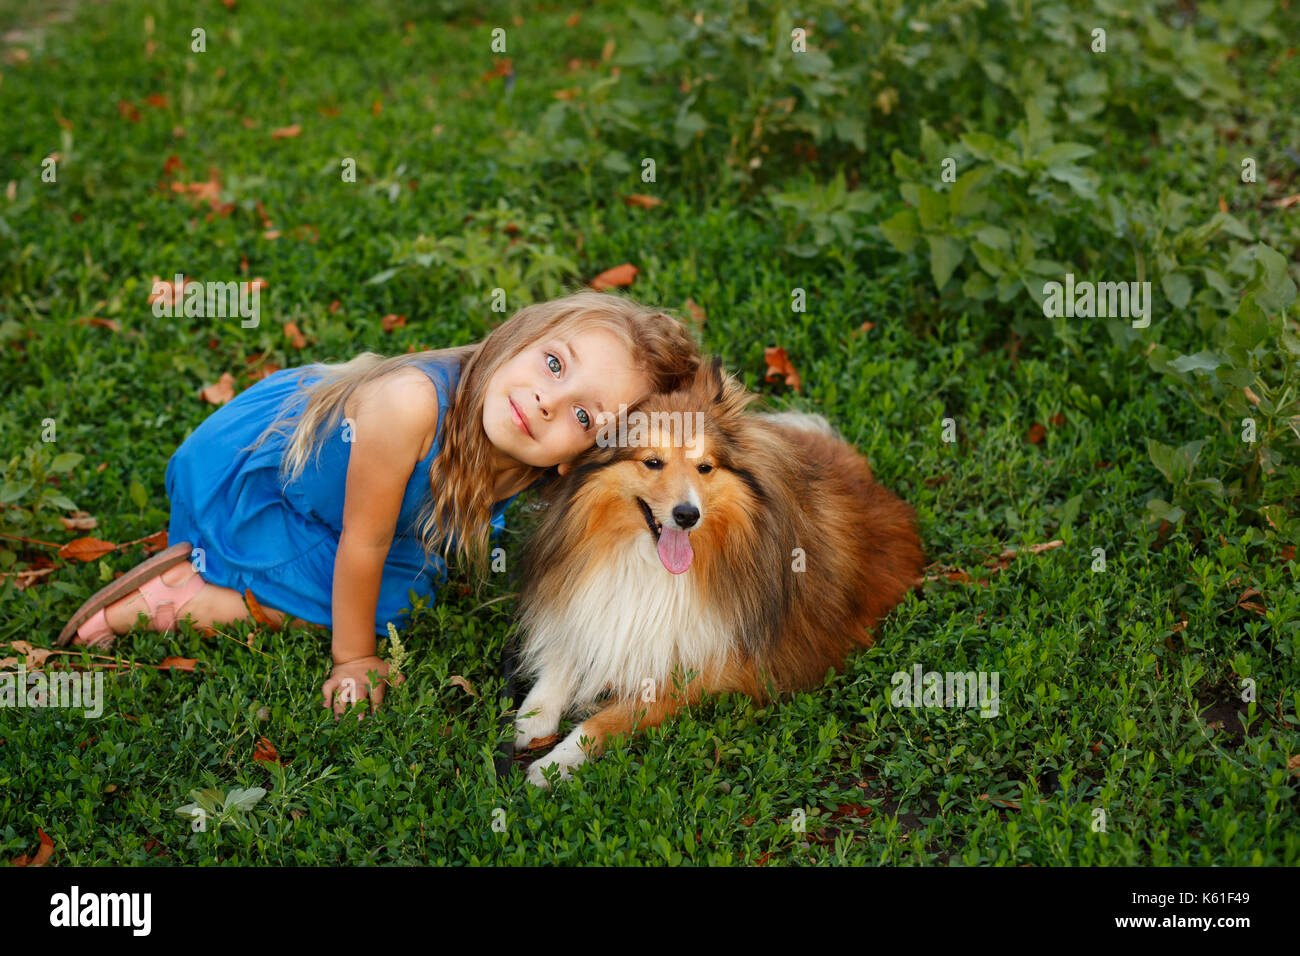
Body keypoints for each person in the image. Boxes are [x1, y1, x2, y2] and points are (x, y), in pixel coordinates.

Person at [57, 290, 701, 715]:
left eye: (583, 414)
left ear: (577, 457)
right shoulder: (407, 405)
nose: (546, 401)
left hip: (358, 507)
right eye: (554, 365)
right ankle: (180, 596)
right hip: (262, 485)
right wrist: (355, 658)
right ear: (517, 338)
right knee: (378, 603)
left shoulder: (523, 455)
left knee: (417, 584)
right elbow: (362, 544)